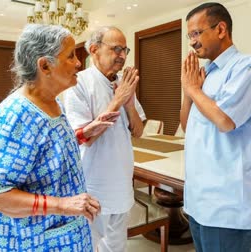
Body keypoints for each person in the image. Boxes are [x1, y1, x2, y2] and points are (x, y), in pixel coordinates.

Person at [0, 24, 121, 252]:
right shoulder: (18, 113)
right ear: (44, 65)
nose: (79, 63)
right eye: (70, 56)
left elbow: (48, 150)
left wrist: (83, 133)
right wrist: (62, 205)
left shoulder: (53, 103)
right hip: (34, 240)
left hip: (60, 233)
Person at [180, 2, 251, 252]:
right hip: (199, 200)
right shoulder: (204, 74)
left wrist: (194, 89)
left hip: (228, 204)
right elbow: (187, 126)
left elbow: (225, 120)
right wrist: (188, 92)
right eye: (190, 36)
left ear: (221, 29)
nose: (192, 42)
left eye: (197, 33)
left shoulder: (247, 67)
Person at [63, 26, 146, 252]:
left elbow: (138, 132)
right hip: (94, 184)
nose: (122, 55)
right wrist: (118, 100)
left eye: (125, 49)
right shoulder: (78, 83)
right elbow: (84, 137)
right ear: (94, 50)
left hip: (122, 181)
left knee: (117, 247)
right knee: (88, 245)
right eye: (116, 49)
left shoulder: (124, 83)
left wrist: (129, 104)